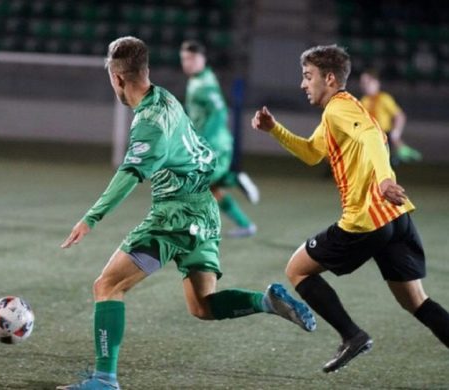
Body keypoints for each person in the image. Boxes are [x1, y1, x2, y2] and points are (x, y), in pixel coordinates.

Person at [57, 36, 316, 390]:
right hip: (205, 212)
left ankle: (105, 379)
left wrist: (90, 219)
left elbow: (129, 174)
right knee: (203, 305)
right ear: (145, 71)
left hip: (173, 216)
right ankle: (265, 301)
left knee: (107, 286)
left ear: (117, 79)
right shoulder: (166, 97)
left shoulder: (149, 121)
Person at [251, 44, 449, 373]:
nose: (303, 84)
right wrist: (275, 130)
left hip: (367, 218)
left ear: (329, 78)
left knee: (297, 269)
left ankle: (352, 336)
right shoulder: (340, 111)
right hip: (395, 219)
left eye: (308, 76)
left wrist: (385, 179)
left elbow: (373, 135)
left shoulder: (338, 109)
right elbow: (313, 153)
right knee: (417, 302)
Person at [180, 40, 259, 238]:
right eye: (184, 59)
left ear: (202, 59)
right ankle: (245, 225)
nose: (187, 63)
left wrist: (204, 140)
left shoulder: (203, 85)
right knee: (212, 188)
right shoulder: (201, 78)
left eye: (191, 58)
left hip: (213, 145)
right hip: (215, 143)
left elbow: (220, 112)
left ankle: (232, 180)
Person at [359, 70, 422, 165]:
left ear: (376, 83)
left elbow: (400, 116)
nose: (364, 85)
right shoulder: (364, 101)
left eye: (367, 82)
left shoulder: (384, 98)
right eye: (363, 83)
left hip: (384, 136)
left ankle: (402, 151)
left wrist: (396, 133)